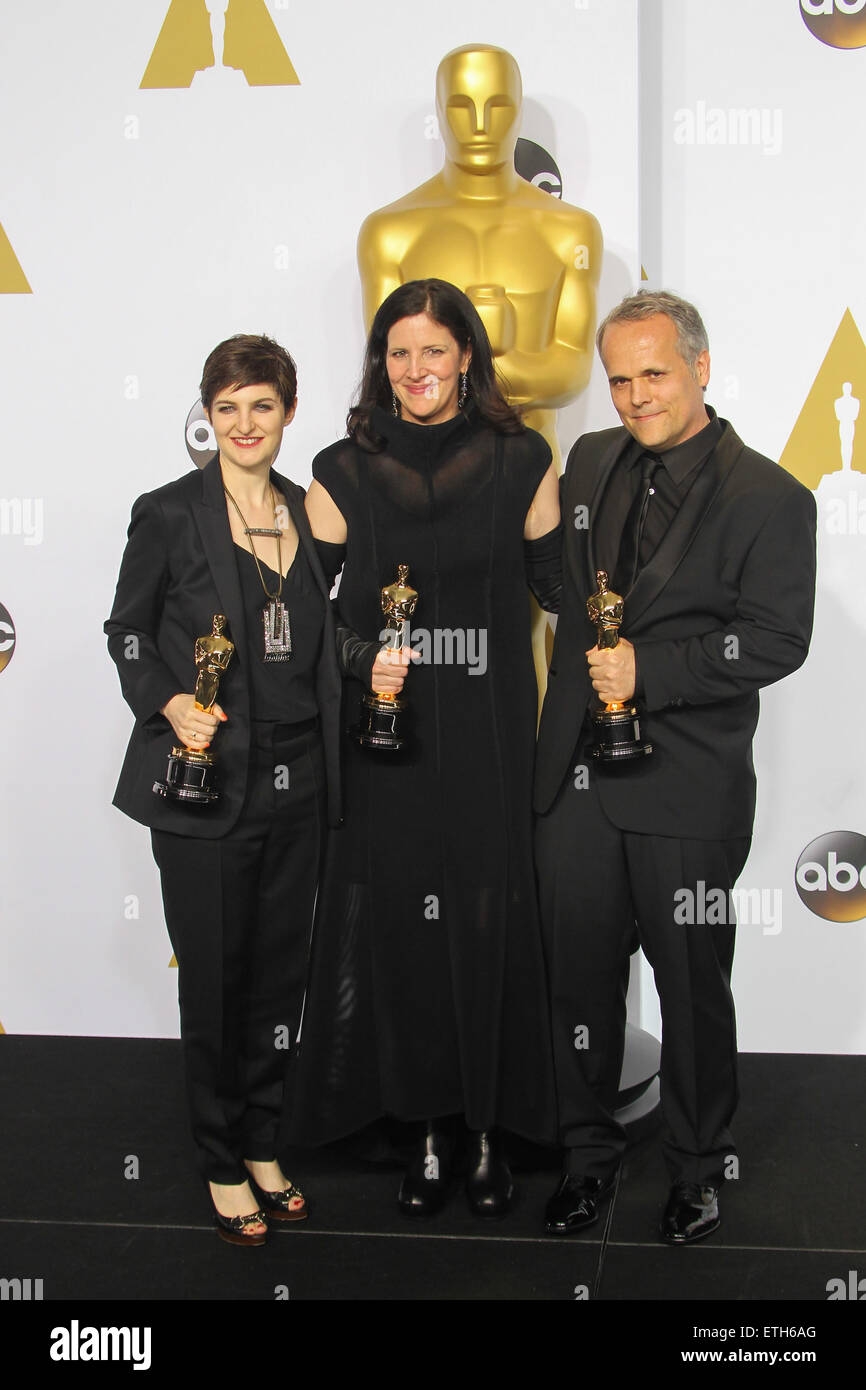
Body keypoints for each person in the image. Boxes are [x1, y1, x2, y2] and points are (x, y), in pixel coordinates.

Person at [534, 290, 817, 1243]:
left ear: (700, 366)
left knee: (692, 984)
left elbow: (777, 639)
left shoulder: (773, 498)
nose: (635, 395)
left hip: (686, 787)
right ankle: (586, 1156)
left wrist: (650, 671)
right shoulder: (589, 460)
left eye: (654, 373)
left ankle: (697, 1166)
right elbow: (566, 590)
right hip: (575, 779)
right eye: (618, 378)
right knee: (575, 985)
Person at [293, 278, 560, 1217]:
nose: (416, 370)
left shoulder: (524, 457)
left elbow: (563, 592)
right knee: (405, 934)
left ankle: (489, 1127)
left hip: (491, 740)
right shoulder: (341, 467)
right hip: (387, 742)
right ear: (381, 364)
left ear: (467, 359)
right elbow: (300, 613)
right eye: (399, 353)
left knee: (487, 924)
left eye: (434, 351)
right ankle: (429, 1131)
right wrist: (366, 661)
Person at [105, 334, 342, 1245]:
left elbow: (321, 642)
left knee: (282, 981)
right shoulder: (168, 513)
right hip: (205, 782)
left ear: (286, 414)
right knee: (216, 980)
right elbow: (127, 631)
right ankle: (217, 1157)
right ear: (208, 416)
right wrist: (169, 700)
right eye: (229, 407)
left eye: (264, 406)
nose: (246, 424)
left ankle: (264, 1140)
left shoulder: (310, 513)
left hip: (301, 778)